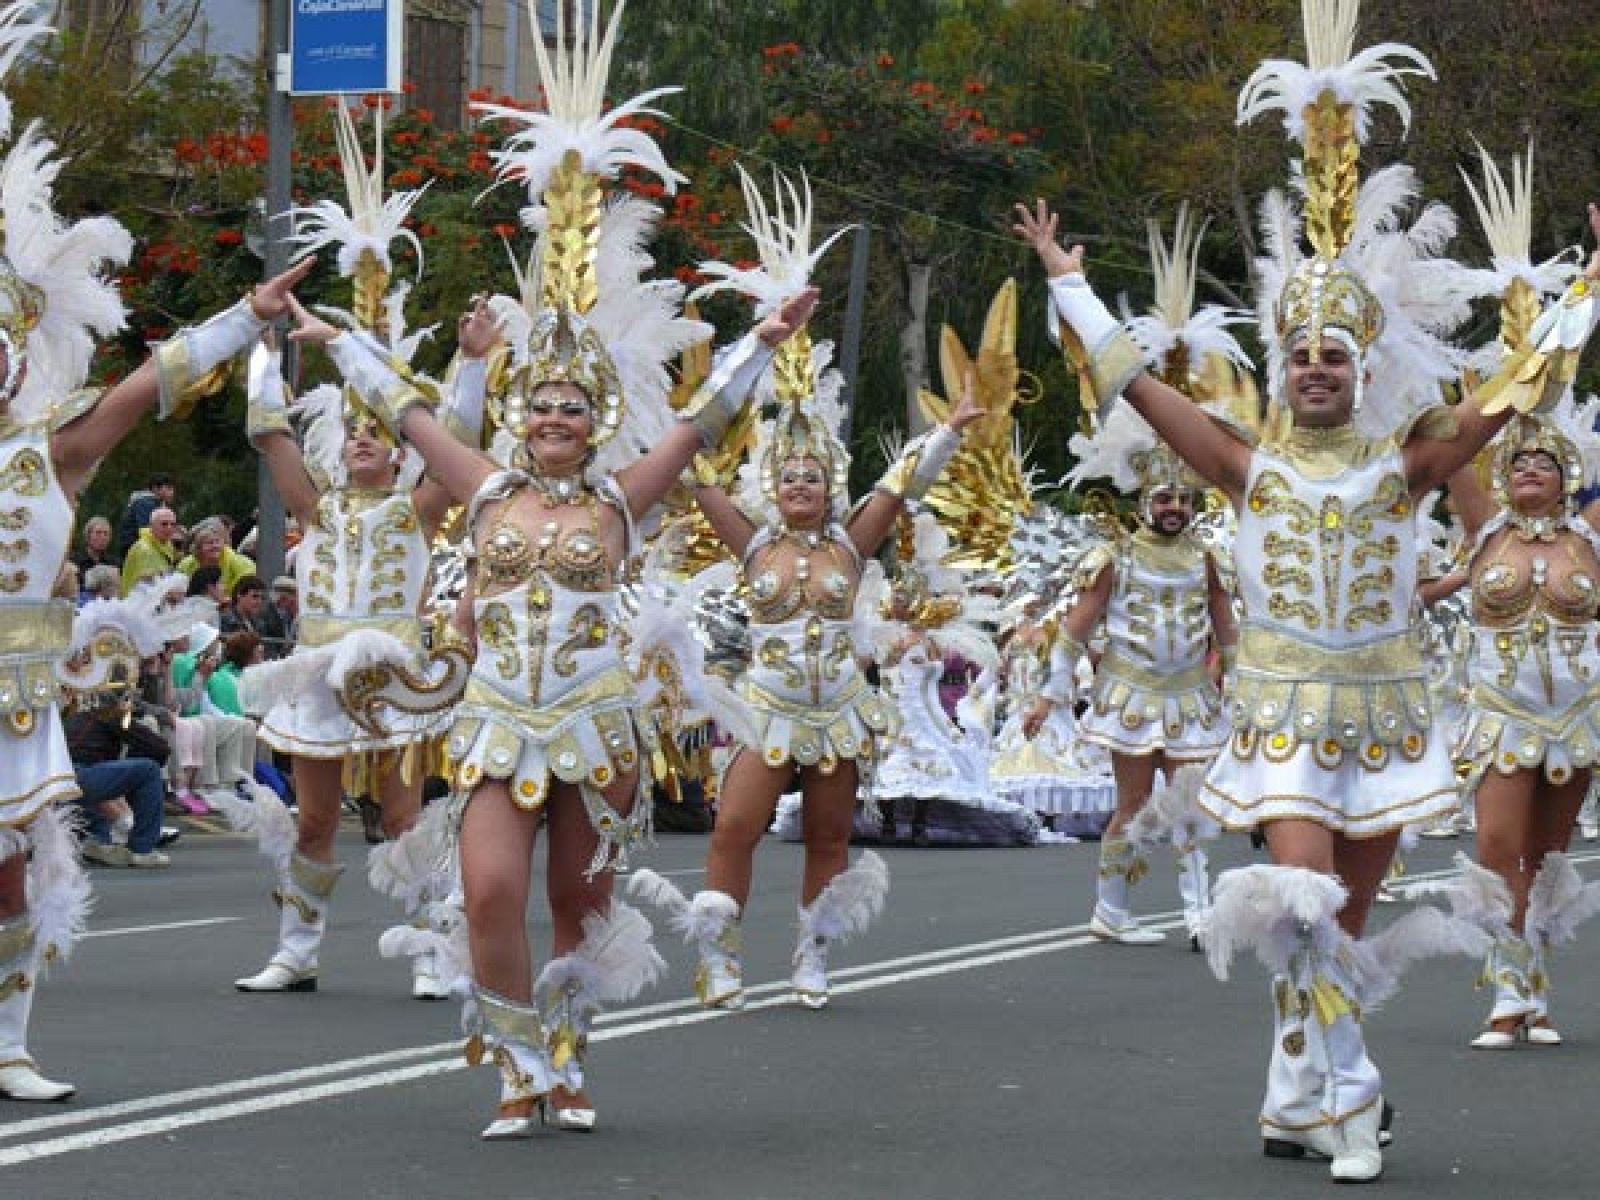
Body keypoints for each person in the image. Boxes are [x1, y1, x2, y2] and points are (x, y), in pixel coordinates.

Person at [1015, 4, 1600, 1180]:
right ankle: (1352, 1102)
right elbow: (1135, 387)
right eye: (1301, 356)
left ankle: (1294, 1095)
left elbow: (1519, 382)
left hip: (1380, 714)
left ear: (1361, 368)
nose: (1317, 368)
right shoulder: (1245, 464)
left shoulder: (1408, 464)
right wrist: (1071, 288)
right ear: (1283, 372)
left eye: (1335, 355)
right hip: (1282, 712)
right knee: (1297, 901)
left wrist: (1591, 284)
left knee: (1339, 917)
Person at [282, 27, 727, 1137]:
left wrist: (765, 341)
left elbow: (704, 422)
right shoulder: (483, 491)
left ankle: (567, 1064)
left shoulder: (620, 501)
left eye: (573, 407)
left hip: (594, 724)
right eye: (541, 406)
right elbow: (407, 411)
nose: (554, 418)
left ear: (598, 420)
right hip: (492, 721)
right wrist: (327, 339)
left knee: (581, 901)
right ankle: (516, 1064)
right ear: (524, 418)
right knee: (486, 891)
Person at [0, 11, 313, 1095]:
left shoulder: (52, 452)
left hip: (15, 697)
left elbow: (150, 384)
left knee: (12, 877)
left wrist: (246, 316)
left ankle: (9, 1045)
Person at [633, 167, 982, 1015]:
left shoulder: (852, 543)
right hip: (768, 708)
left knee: (828, 836)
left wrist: (946, 433)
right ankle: (719, 955)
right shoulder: (750, 540)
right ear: (772, 485)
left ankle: (812, 952)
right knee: (734, 828)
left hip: (838, 710)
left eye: (812, 476)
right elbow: (693, 464)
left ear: (829, 485)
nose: (800, 485)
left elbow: (901, 483)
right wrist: (700, 392)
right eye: (787, 476)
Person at [1023, 211, 1243, 947]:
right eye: (1164, 498)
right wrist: (1049, 694)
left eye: (1183, 497)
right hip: (1129, 690)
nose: (1174, 506)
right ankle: (1112, 910)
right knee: (1134, 805)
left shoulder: (1209, 555)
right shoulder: (1114, 555)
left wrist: (1242, 684)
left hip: (1191, 692)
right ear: (1143, 501)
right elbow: (1075, 626)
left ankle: (1197, 912)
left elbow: (1226, 624)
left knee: (1190, 806)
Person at [178, 517, 255, 598]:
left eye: (217, 541)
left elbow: (246, 597)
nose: (215, 546)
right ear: (198, 547)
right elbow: (177, 590)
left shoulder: (243, 564)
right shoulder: (186, 564)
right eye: (209, 543)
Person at [119, 505, 182, 595]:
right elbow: (148, 587)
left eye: (173, 524)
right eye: (164, 524)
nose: (169, 528)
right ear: (151, 526)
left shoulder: (166, 545)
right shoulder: (144, 549)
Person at [114, 472, 174, 559]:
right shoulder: (146, 503)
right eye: (169, 488)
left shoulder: (152, 503)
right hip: (133, 549)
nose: (172, 492)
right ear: (155, 488)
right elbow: (146, 530)